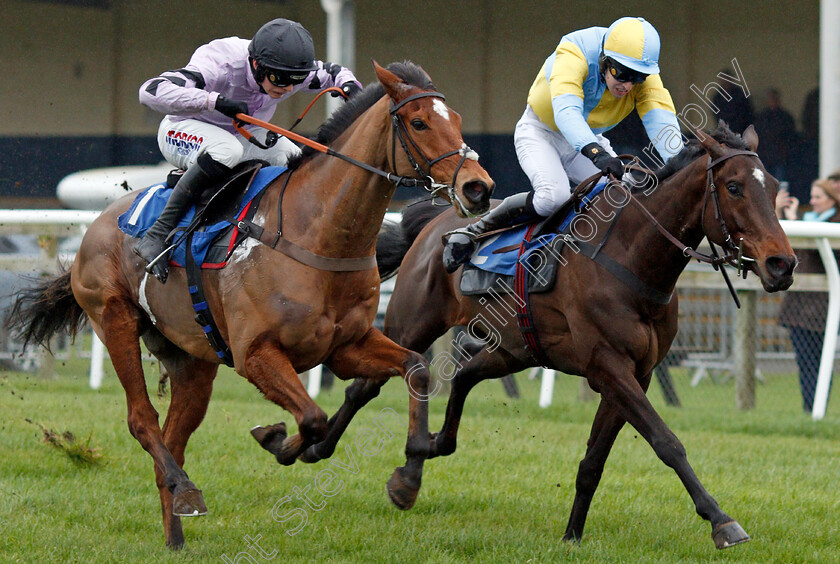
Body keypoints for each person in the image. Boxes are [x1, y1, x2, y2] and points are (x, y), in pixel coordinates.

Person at [442, 17, 683, 272]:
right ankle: (473, 232)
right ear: (604, 60)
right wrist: (597, 154)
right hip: (541, 132)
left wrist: (680, 160)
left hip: (587, 138)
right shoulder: (573, 50)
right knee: (553, 197)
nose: (627, 85)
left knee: (623, 198)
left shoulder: (641, 77)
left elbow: (660, 117)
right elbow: (567, 112)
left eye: (638, 78)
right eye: (621, 73)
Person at [135, 18, 363, 283]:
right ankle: (157, 233)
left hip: (238, 132)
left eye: (295, 81)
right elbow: (150, 91)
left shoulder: (286, 70)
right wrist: (213, 101)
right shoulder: (220, 61)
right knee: (227, 150)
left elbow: (335, 72)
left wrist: (352, 87)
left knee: (292, 158)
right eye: (279, 79)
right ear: (256, 64)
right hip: (183, 129)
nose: (287, 88)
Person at [776, 178, 840, 412]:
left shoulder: (835, 223)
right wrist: (780, 212)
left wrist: (794, 221)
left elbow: (820, 256)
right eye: (811, 197)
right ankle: (809, 408)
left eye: (817, 197)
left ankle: (816, 408)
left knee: (820, 363)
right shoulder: (808, 222)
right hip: (799, 308)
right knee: (805, 362)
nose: (812, 202)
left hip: (822, 309)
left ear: (831, 200)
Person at [754, 88, 797, 181]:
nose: (772, 101)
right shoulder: (761, 117)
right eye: (770, 99)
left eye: (774, 98)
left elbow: (790, 137)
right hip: (764, 156)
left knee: (779, 183)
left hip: (780, 157)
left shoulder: (785, 117)